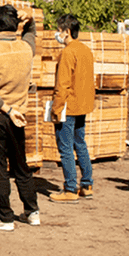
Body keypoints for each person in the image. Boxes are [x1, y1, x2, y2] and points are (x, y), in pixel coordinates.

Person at [0, 4, 39, 231]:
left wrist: (6, 109)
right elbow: (31, 33)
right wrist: (30, 20)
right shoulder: (25, 48)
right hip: (18, 115)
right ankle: (32, 211)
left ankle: (4, 217)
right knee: (21, 165)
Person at [48, 13, 95, 202]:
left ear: (67, 32)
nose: (57, 34)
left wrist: (56, 108)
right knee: (80, 144)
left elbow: (63, 84)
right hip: (83, 105)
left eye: (59, 31)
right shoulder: (85, 50)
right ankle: (87, 184)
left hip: (68, 106)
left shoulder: (68, 52)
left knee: (65, 148)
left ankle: (69, 188)